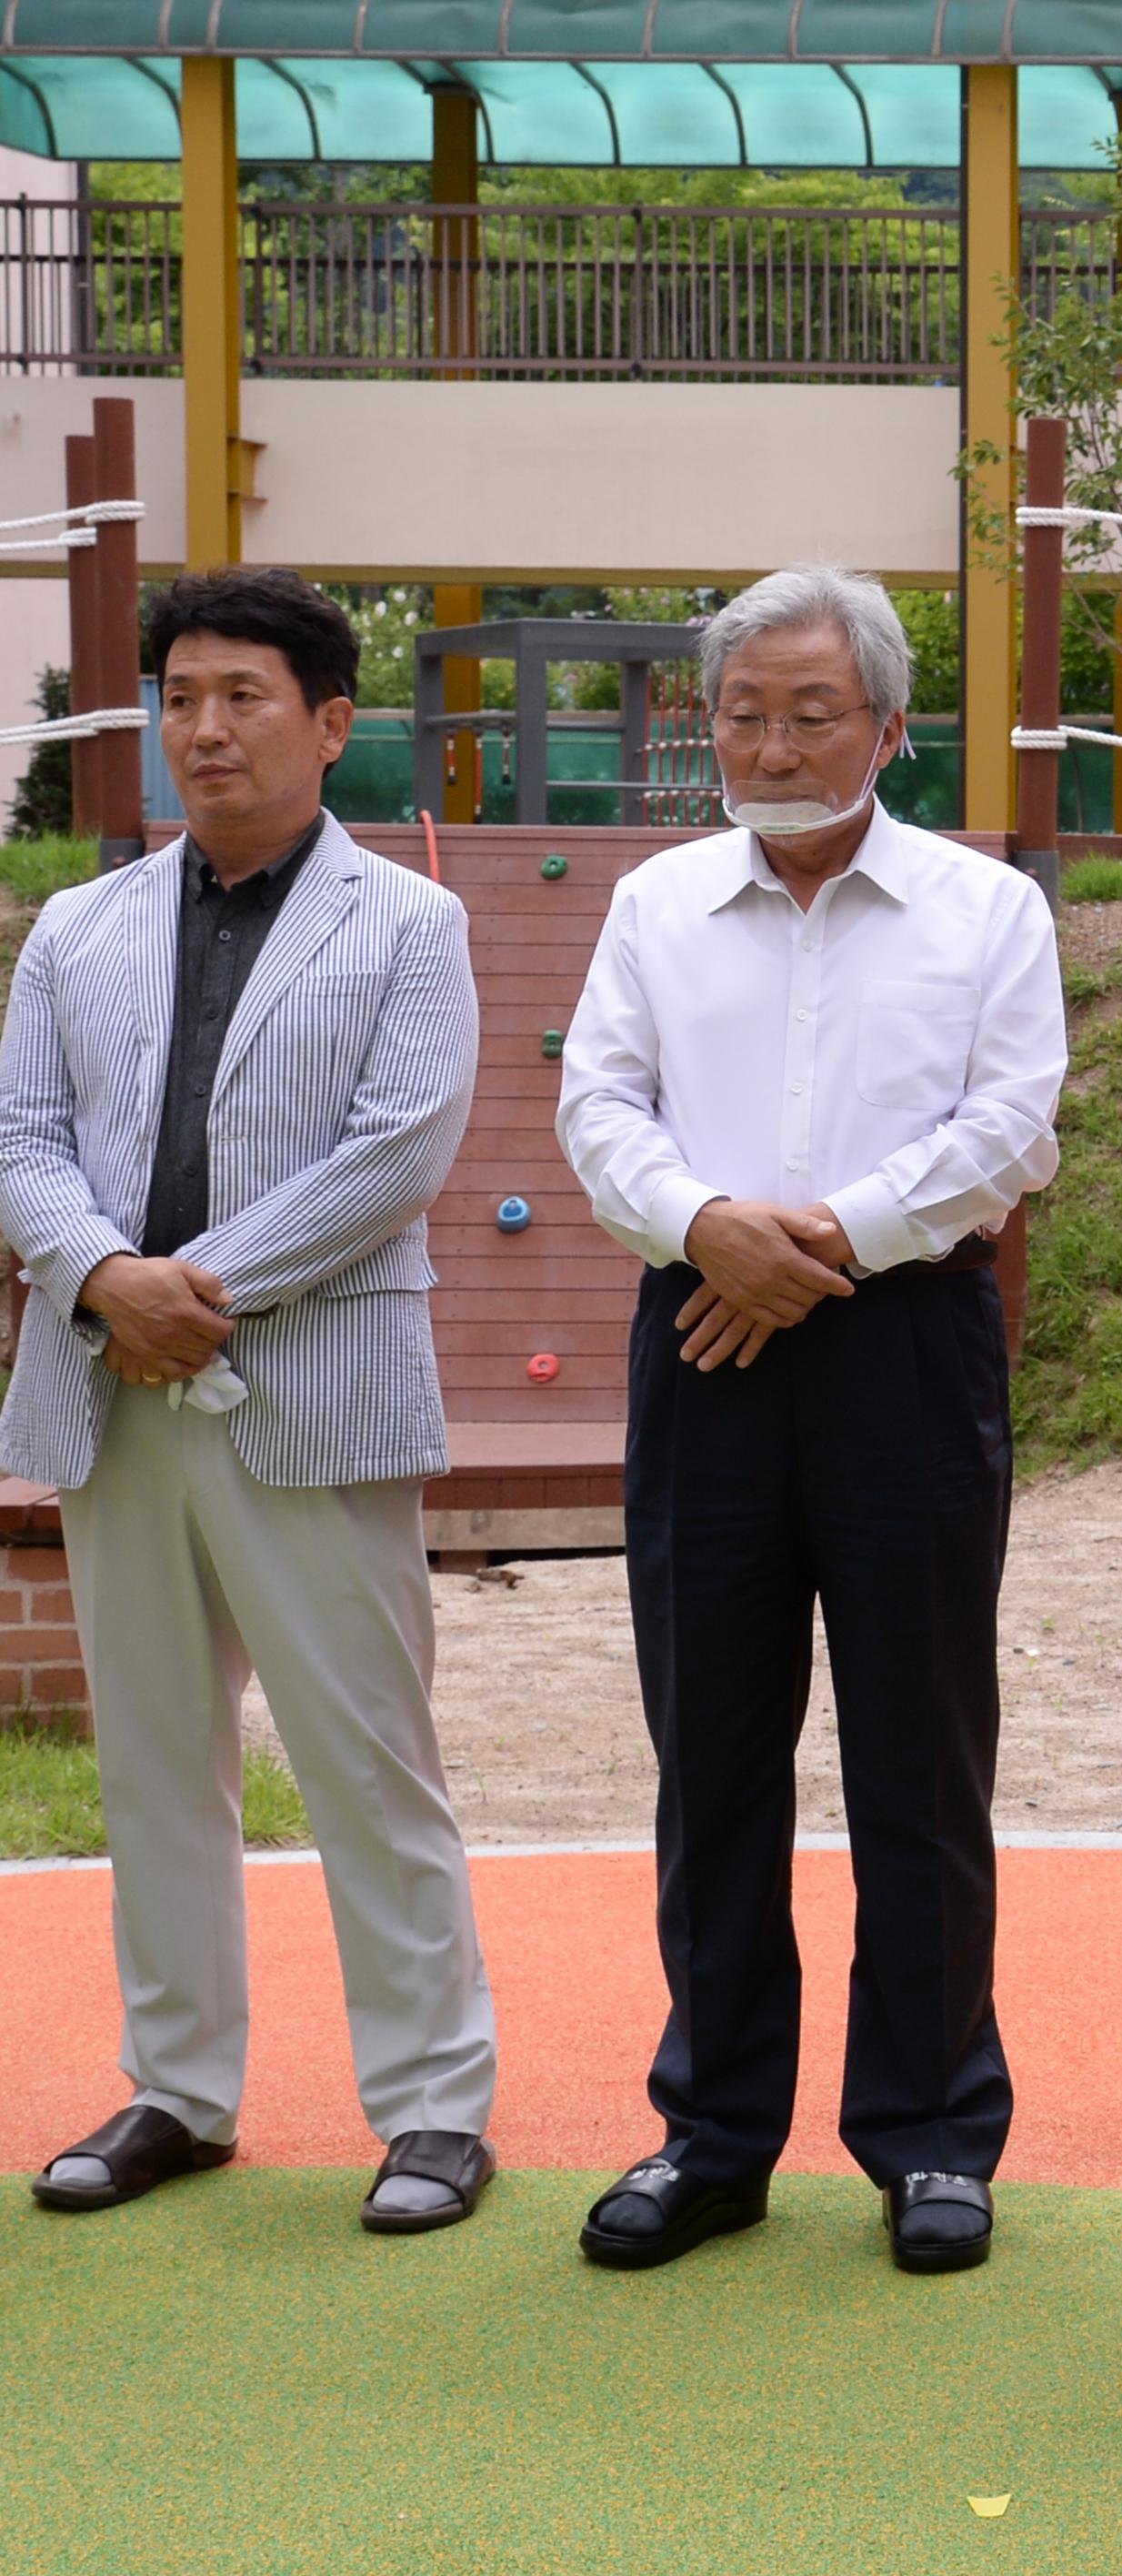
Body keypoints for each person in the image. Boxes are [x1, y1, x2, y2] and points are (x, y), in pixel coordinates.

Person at [555, 564, 1064, 2276]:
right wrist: (709, 1231)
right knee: (710, 1750)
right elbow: (599, 1105)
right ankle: (712, 2133)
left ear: (890, 728)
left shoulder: (987, 909)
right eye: (742, 714)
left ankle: (930, 2136)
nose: (770, 744)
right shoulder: (653, 901)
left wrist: (822, 1239)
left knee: (920, 1748)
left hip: (902, 1342)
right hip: (697, 1335)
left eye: (809, 712)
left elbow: (1010, 1128)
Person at [0, 569, 496, 2233]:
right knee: (152, 1763)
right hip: (103, 1389)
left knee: (369, 1761)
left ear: (331, 723)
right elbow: (21, 1144)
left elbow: (398, 1153)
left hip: (310, 1386)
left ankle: (435, 2109)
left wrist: (183, 1290)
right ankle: (178, 2091)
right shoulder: (78, 926)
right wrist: (99, 1282)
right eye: (182, 697)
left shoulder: (411, 922)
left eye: (244, 697)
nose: (204, 728)